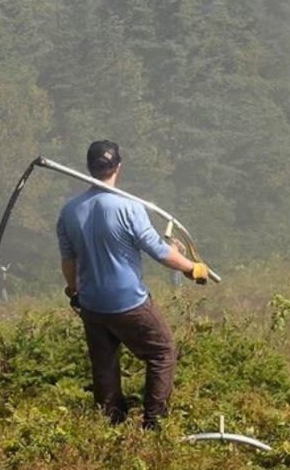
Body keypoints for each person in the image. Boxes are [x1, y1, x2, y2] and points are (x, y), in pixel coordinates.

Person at [57, 140, 210, 429]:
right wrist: (193, 268)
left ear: (89, 168)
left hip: (91, 304)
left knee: (104, 366)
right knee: (162, 351)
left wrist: (74, 290)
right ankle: (153, 423)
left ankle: (112, 425)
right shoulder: (129, 207)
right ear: (118, 167)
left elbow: (69, 262)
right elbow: (159, 251)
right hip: (129, 303)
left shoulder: (69, 211)